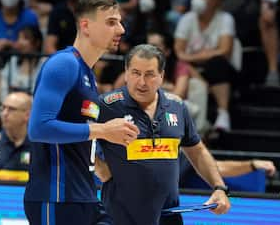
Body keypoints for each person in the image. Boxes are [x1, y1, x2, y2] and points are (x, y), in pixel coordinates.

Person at [24, 0, 139, 225]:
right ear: (85, 25)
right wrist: (103, 130)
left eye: (120, 22)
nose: (121, 30)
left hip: (85, 195)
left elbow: (79, 136)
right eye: (111, 22)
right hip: (57, 197)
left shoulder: (87, 73)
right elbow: (39, 128)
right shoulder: (64, 64)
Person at [95, 44, 230, 225]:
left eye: (150, 74)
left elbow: (197, 151)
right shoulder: (106, 106)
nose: (142, 82)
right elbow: (74, 138)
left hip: (169, 216)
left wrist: (219, 187)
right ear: (126, 73)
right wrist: (100, 168)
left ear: (162, 76)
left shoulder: (177, 106)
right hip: (120, 217)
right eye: (135, 73)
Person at [174, 0, 236, 131]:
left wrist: (192, 56)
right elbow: (178, 52)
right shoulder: (187, 19)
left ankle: (223, 113)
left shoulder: (225, 19)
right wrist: (203, 55)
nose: (196, 0)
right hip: (190, 68)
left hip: (216, 68)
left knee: (217, 63)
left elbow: (225, 50)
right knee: (180, 65)